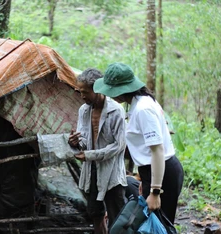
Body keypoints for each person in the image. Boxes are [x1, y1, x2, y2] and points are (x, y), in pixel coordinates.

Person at [93, 62, 184, 224]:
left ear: (120, 90)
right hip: (154, 171)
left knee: (158, 226)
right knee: (154, 224)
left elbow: (157, 150)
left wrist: (155, 191)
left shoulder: (143, 109)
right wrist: (144, 179)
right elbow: (144, 148)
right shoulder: (140, 103)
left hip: (163, 173)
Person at [68, 68, 128, 234]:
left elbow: (118, 146)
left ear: (98, 89)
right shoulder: (84, 110)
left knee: (118, 216)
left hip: (112, 173)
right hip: (91, 170)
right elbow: (85, 142)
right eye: (80, 92)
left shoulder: (116, 111)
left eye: (85, 92)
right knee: (95, 213)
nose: (82, 96)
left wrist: (89, 155)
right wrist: (75, 143)